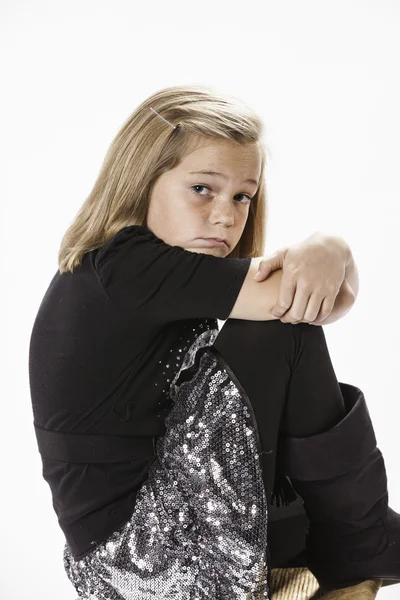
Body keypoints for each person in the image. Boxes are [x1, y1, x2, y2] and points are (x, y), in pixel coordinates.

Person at [28, 85, 398, 600]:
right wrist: (328, 247)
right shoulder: (123, 266)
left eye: (242, 196)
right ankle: (356, 563)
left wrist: (329, 254)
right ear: (140, 181)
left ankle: (353, 549)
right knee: (279, 336)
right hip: (142, 554)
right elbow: (301, 305)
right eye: (202, 188)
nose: (226, 215)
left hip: (149, 534)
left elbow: (324, 300)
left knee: (283, 345)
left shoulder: (149, 273)